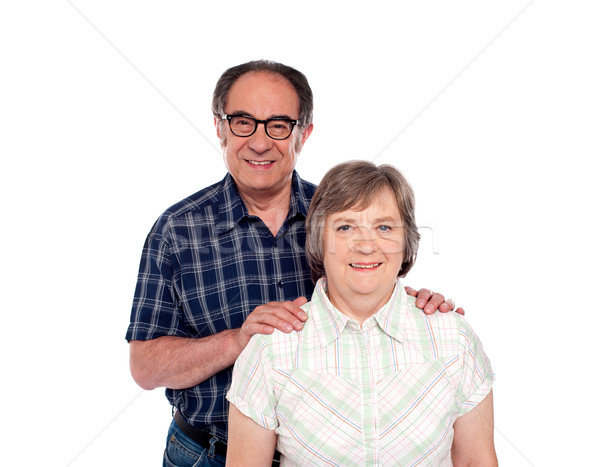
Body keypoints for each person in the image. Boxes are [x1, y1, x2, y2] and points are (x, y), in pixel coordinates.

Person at [126, 60, 459, 467]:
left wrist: (419, 305)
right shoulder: (176, 230)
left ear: (304, 133)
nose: (260, 142)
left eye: (279, 124)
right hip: (209, 453)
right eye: (243, 121)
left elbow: (373, 294)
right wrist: (237, 341)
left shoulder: (338, 216)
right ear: (219, 127)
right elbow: (144, 367)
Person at [226, 160, 496, 466]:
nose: (366, 245)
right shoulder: (271, 350)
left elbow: (476, 460)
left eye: (384, 227)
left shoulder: (454, 339)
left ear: (406, 241)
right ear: (319, 239)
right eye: (345, 227)